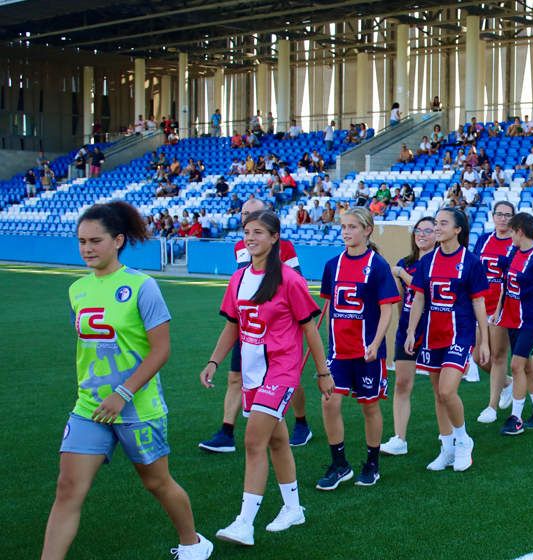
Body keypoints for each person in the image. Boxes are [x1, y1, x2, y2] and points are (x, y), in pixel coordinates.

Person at [42, 202, 213, 560]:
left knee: (157, 482)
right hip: (89, 407)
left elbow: (160, 350)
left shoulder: (142, 286)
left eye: (95, 240)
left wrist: (123, 393)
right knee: (67, 489)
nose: (87, 248)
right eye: (81, 241)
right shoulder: (77, 290)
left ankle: (192, 544)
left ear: (118, 240)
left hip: (137, 407)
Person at [201, 210, 327, 546]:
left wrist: (323, 371)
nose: (251, 237)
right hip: (253, 372)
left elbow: (309, 329)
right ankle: (293, 508)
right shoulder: (239, 278)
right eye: (247, 231)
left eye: (259, 231)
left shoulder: (290, 279)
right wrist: (214, 361)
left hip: (282, 370)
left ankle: (245, 522)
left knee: (253, 441)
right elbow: (232, 325)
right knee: (276, 441)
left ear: (275, 238)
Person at [199, 198, 310, 454]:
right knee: (235, 376)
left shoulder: (286, 247)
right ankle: (227, 431)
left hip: (278, 328)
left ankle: (302, 422)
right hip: (248, 325)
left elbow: (298, 283)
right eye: (244, 214)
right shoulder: (240, 245)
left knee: (289, 379)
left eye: (254, 214)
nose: (247, 218)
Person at [315, 208, 400, 490]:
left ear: (367, 230)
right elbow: (328, 307)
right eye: (344, 227)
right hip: (339, 353)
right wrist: (328, 342)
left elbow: (387, 309)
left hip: (368, 353)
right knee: (329, 403)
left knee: (369, 406)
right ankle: (339, 464)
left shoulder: (377, 265)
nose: (347, 232)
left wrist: (376, 343)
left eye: (353, 227)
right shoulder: (331, 265)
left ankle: (372, 463)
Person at [404, 208, 491, 472]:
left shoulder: (471, 262)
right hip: (432, 335)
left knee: (447, 391)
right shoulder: (427, 261)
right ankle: (447, 447)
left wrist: (484, 341)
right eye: (436, 222)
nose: (437, 227)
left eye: (443, 223)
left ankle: (463, 440)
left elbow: (479, 303)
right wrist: (410, 331)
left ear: (457, 230)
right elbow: (419, 297)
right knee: (438, 395)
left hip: (460, 335)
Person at [491, 213, 533, 434]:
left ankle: (515, 418)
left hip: (530, 321)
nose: (509, 236)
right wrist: (498, 311)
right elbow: (505, 286)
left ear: (519, 231)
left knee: (516, 366)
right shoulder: (513, 254)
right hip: (512, 320)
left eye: (512, 232)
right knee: (528, 368)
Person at [379, 217, 437, 456]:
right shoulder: (406, 262)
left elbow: (428, 291)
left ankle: (451, 434)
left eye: (428, 231)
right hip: (408, 328)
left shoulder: (439, 262)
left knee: (440, 387)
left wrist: (402, 274)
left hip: (435, 327)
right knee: (402, 383)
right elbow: (404, 299)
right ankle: (399, 438)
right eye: (419, 230)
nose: (422, 235)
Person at [473, 201, 517, 424]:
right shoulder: (483, 240)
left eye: (507, 215)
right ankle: (508, 383)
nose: (503, 218)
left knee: (499, 355)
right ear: (493, 216)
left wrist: (500, 308)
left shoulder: (515, 243)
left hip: (503, 306)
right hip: (481, 304)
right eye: (499, 214)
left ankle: (491, 406)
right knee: (478, 355)